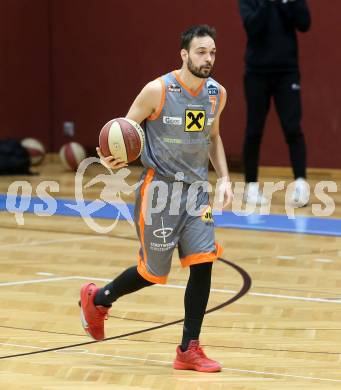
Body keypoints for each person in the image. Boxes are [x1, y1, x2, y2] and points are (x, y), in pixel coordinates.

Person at [79, 25, 233, 373]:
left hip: (196, 193)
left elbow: (214, 136)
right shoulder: (157, 91)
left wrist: (224, 178)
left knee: (203, 261)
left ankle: (188, 348)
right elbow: (123, 132)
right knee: (152, 273)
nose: (208, 59)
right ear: (183, 54)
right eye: (200, 52)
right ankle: (98, 299)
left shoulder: (216, 94)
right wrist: (110, 156)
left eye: (212, 53)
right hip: (159, 192)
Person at [239, 0, 311, 206]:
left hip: (287, 73)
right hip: (256, 73)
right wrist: (266, 4)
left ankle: (300, 184)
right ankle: (251, 186)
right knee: (254, 130)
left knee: (292, 128)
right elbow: (252, 28)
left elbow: (305, 23)